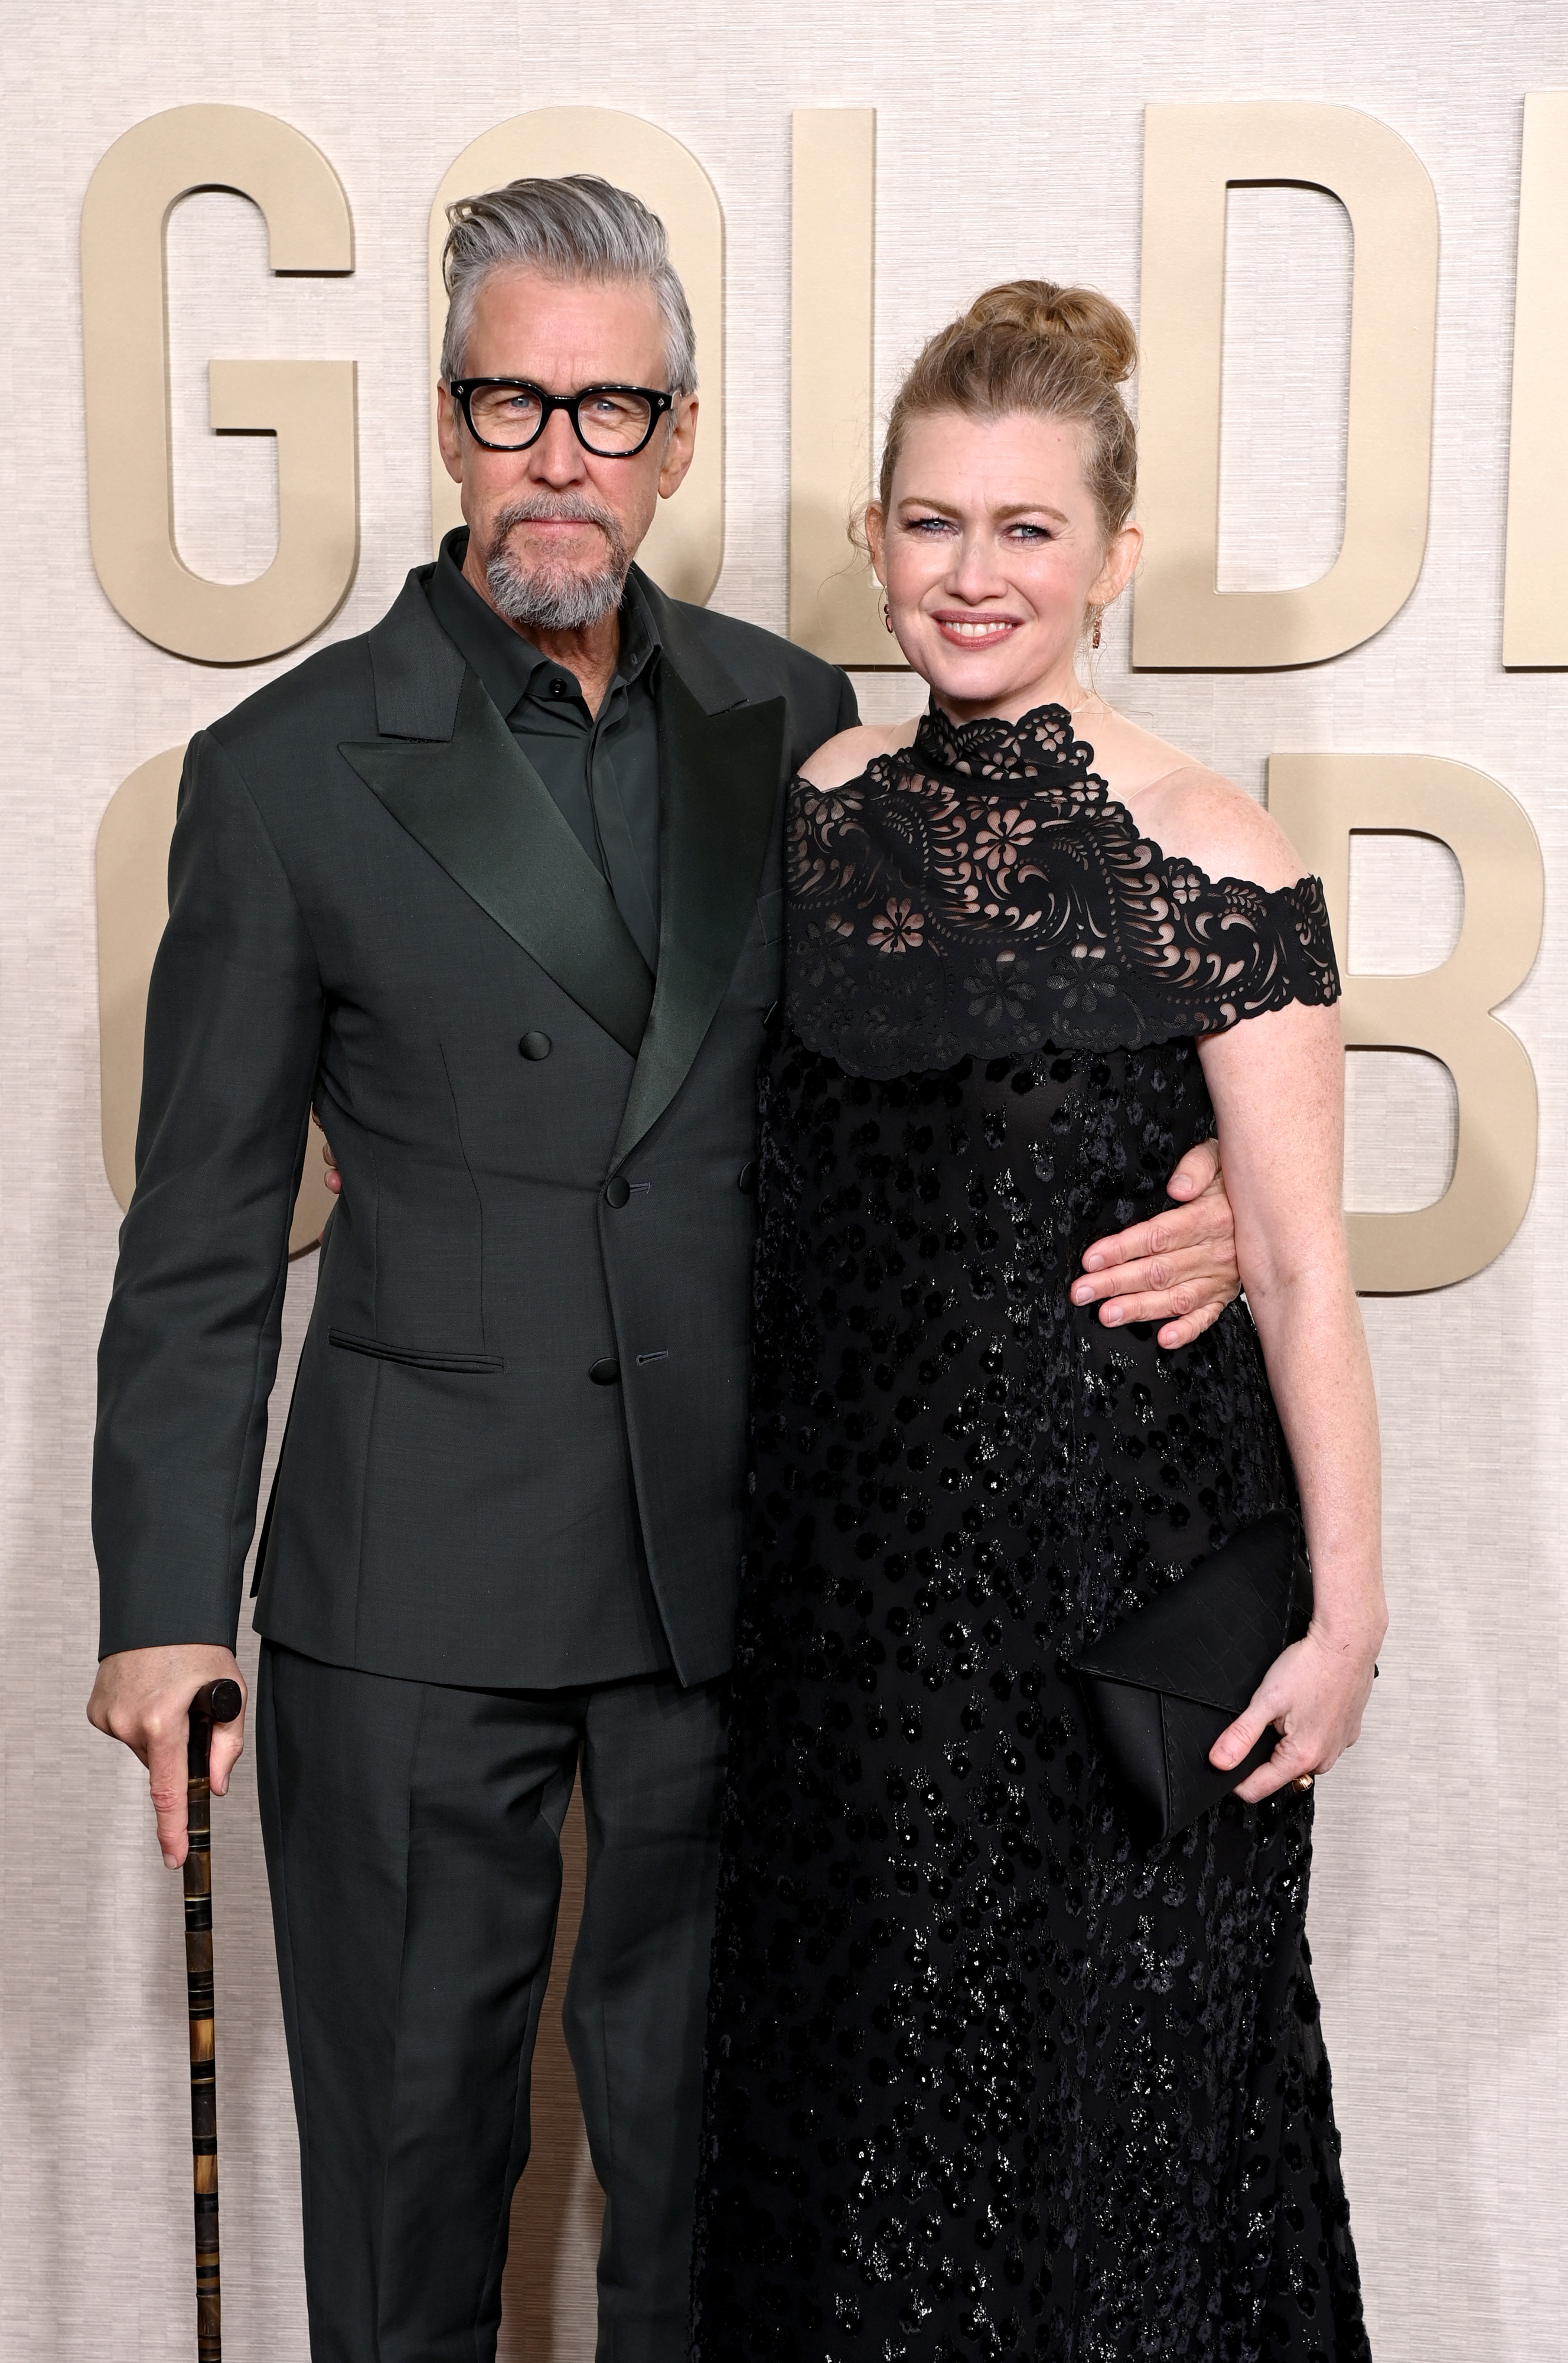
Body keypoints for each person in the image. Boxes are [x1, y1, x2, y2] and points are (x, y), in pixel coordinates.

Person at [87, 183, 1243, 2363]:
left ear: (678, 439)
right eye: (515, 399)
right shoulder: (283, 778)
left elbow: (982, 1049)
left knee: (724, 2180)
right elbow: (205, 1231)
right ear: (448, 423)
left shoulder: (797, 719)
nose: (562, 452)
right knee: (414, 2166)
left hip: (749, 1576)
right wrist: (159, 1605)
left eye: (610, 406)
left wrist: (1208, 1184)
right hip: (412, 1584)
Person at [690, 282, 1386, 2363]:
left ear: (1111, 558)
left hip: (1114, 1636)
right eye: (928, 524)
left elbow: (1298, 1263)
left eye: (1022, 529)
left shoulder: (1215, 858)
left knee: (1113, 2187)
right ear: (874, 545)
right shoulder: (805, 818)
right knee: (848, 2180)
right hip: (838, 1644)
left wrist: (1347, 1624)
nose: (969, 576)